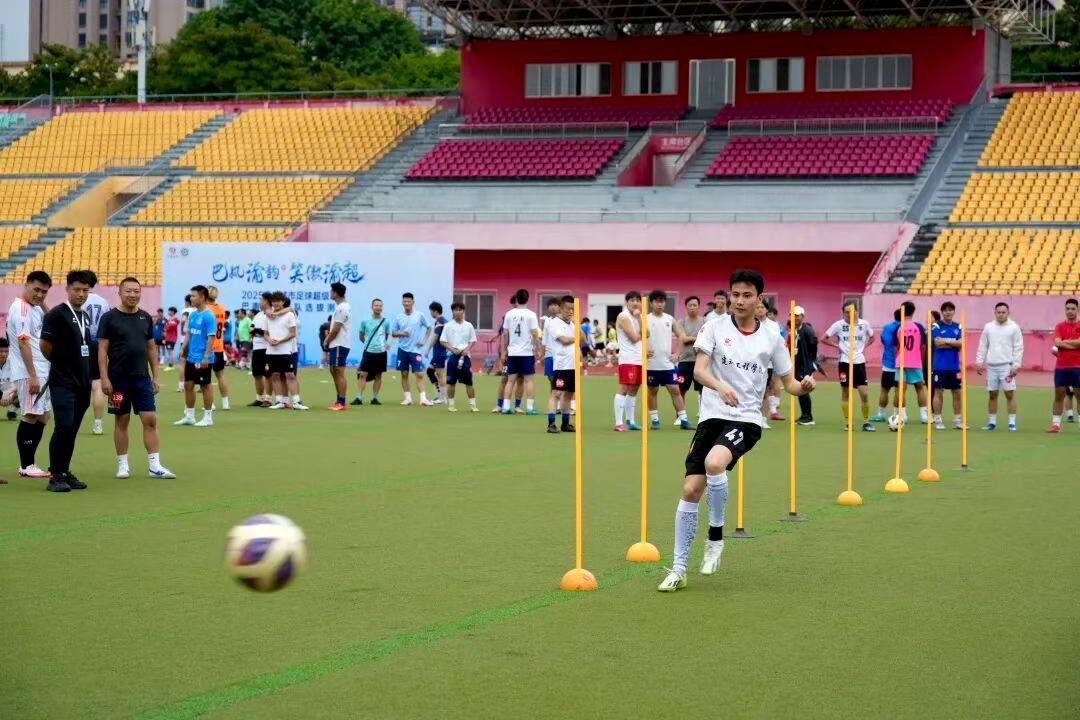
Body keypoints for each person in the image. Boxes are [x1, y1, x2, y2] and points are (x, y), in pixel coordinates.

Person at [657, 270, 816, 592]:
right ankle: (678, 568)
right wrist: (721, 386)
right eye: (735, 295)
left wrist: (805, 386)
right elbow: (699, 371)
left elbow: (790, 384)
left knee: (715, 464)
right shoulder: (713, 327)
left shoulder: (772, 336)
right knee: (690, 490)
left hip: (746, 420)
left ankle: (715, 537)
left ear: (760, 300)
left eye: (746, 295)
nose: (739, 301)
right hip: (711, 416)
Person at [98, 277, 175, 479]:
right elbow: (102, 349)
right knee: (121, 421)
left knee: (150, 419)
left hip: (142, 379)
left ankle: (155, 466)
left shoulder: (145, 318)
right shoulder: (109, 318)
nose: (133, 295)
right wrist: (104, 378)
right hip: (117, 381)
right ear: (120, 293)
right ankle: (123, 465)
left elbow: (151, 347)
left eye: (136, 291)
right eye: (128, 291)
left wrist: (155, 376)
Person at [39, 270, 95, 492]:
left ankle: (64, 470)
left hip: (83, 383)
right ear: (68, 289)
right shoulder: (56, 314)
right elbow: (45, 346)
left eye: (85, 290)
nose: (81, 294)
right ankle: (55, 476)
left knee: (72, 429)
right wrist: (61, 363)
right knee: (63, 427)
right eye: (77, 289)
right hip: (63, 382)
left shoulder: (85, 315)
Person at [8, 270, 53, 478]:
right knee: (31, 414)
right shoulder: (21, 309)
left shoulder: (34, 308)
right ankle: (26, 465)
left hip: (42, 370)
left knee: (43, 416)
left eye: (44, 292)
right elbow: (23, 342)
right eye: (36, 290)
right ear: (26, 285)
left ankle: (30, 463)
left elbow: (51, 318)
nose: (40, 295)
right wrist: (33, 375)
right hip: (31, 372)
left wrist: (42, 302)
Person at [822, 301, 876, 432]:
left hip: (859, 362)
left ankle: (866, 422)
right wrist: (838, 346)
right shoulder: (838, 325)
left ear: (857, 312)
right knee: (846, 392)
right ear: (843, 313)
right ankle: (848, 422)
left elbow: (872, 337)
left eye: (852, 311)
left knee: (864, 393)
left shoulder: (864, 324)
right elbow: (824, 338)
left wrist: (864, 348)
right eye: (846, 312)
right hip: (845, 363)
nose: (849, 314)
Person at [645, 289, 691, 430]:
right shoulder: (645, 319)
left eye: (662, 301)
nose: (659, 304)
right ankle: (655, 420)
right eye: (657, 301)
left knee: (675, 390)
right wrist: (644, 351)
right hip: (651, 364)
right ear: (651, 303)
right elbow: (637, 339)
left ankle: (683, 420)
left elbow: (682, 336)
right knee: (653, 391)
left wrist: (677, 353)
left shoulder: (669, 319)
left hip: (667, 364)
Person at [976, 302, 1023, 431]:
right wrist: (979, 361)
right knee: (992, 394)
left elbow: (1018, 347)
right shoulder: (988, 327)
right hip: (992, 366)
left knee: (1009, 394)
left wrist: (1016, 365)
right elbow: (983, 345)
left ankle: (1012, 423)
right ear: (995, 312)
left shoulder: (1014, 327)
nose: (1001, 315)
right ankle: (992, 422)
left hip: (1007, 366)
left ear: (1008, 313)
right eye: (998, 312)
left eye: (1003, 312)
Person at [175, 285, 217, 426]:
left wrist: (206, 356)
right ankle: (190, 416)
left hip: (202, 358)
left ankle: (208, 417)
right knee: (188, 385)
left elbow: (211, 338)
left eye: (193, 296)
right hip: (191, 357)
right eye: (191, 296)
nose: (191, 298)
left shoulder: (208, 316)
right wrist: (183, 347)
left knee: (205, 386)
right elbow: (189, 333)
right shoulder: (192, 314)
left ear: (202, 297)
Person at [500, 289, 541, 415]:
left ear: (516, 299)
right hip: (526, 352)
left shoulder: (509, 314)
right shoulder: (531, 315)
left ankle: (506, 407)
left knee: (510, 380)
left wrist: (503, 351)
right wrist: (537, 349)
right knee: (528, 380)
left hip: (512, 352)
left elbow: (504, 334)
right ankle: (529, 408)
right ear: (527, 299)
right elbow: (535, 334)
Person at [390, 292, 432, 406]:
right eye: (405, 301)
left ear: (413, 302)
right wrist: (402, 333)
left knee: (419, 374)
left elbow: (429, 328)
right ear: (402, 303)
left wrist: (424, 341)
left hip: (415, 350)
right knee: (404, 374)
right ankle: (408, 398)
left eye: (409, 301)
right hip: (402, 350)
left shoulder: (419, 315)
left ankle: (423, 399)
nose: (407, 303)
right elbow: (393, 333)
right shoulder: (399, 317)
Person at [266, 292, 306, 410]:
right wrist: (269, 340)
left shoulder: (290, 314)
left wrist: (280, 341)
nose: (276, 303)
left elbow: (292, 332)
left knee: (290, 375)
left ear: (283, 302)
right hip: (272, 351)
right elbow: (265, 333)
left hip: (289, 350)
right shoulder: (268, 315)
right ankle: (282, 401)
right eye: (274, 301)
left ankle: (296, 401)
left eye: (278, 301)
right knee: (276, 375)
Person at [83, 273, 110, 436]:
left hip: (82, 343)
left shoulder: (78, 299)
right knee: (97, 385)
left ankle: (72, 421)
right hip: (99, 343)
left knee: (76, 384)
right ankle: (98, 424)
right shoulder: (103, 301)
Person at [613, 291, 644, 431]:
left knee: (634, 389)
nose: (635, 303)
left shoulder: (638, 316)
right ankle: (618, 423)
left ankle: (630, 420)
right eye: (632, 300)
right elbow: (634, 337)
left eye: (638, 300)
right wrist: (640, 327)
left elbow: (646, 333)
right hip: (628, 358)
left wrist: (639, 319)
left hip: (639, 358)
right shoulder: (624, 316)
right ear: (627, 302)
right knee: (624, 388)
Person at [545, 296, 577, 433]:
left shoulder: (572, 324)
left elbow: (582, 339)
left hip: (573, 364)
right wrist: (575, 337)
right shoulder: (554, 323)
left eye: (573, 309)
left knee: (569, 394)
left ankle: (565, 423)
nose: (570, 312)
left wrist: (577, 325)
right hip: (561, 365)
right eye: (568, 309)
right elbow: (564, 340)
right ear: (561, 308)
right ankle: (551, 423)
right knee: (556, 393)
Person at [931, 301, 964, 431]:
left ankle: (957, 421)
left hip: (954, 366)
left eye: (951, 310)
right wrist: (954, 343)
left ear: (953, 312)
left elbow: (961, 344)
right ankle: (938, 419)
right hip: (939, 366)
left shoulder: (958, 326)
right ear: (942, 312)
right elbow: (937, 343)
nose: (948, 312)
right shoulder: (936, 325)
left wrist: (947, 342)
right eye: (945, 310)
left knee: (957, 393)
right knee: (939, 392)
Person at [440, 301, 479, 413]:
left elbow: (472, 340)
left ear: (463, 311)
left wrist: (466, 350)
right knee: (451, 382)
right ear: (452, 312)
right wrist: (453, 350)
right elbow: (443, 341)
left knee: (469, 382)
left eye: (460, 309)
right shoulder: (448, 326)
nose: (458, 312)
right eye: (455, 310)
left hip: (465, 358)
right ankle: (451, 405)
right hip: (453, 357)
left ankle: (473, 406)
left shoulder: (469, 325)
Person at [1048, 298, 1080, 433]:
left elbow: (1062, 343)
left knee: (1079, 395)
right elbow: (1057, 342)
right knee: (1059, 395)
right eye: (1068, 309)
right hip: (1061, 367)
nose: (1070, 311)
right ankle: (1056, 424)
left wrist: (1063, 343)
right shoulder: (1059, 326)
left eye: (1073, 309)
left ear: (1077, 310)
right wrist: (1074, 343)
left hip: (1078, 366)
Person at [355, 298, 390, 405]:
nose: (378, 307)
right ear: (372, 307)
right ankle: (359, 398)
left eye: (380, 306)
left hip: (381, 352)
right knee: (362, 374)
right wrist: (369, 345)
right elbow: (361, 336)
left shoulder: (386, 321)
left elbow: (386, 336)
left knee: (378, 376)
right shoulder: (365, 321)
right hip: (368, 352)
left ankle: (374, 398)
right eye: (376, 305)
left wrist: (380, 345)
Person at [872, 309, 904, 423]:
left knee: (885, 389)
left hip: (888, 364)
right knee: (899, 390)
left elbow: (884, 341)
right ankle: (897, 415)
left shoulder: (887, 327)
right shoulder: (905, 328)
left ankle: (881, 414)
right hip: (901, 364)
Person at [324, 282, 352, 411]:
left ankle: (342, 402)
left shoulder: (342, 308)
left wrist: (326, 340)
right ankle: (338, 400)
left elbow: (335, 330)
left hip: (340, 344)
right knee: (334, 371)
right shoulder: (340, 307)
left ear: (335, 293)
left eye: (331, 291)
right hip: (337, 344)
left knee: (339, 371)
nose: (330, 293)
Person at [790, 306, 818, 426]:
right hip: (799, 364)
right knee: (801, 389)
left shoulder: (807, 330)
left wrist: (812, 362)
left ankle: (808, 416)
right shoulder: (796, 329)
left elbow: (813, 346)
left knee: (804, 389)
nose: (794, 318)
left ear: (802, 316)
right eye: (792, 315)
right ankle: (804, 415)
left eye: (797, 316)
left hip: (805, 365)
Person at [206, 286, 231, 411]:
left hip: (207, 347)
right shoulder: (221, 309)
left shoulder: (205, 309)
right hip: (219, 347)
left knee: (206, 378)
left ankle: (211, 403)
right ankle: (225, 402)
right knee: (220, 375)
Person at [676, 296, 705, 404]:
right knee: (681, 389)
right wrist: (698, 339)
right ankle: (681, 417)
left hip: (701, 361)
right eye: (690, 305)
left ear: (698, 307)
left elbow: (707, 339)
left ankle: (704, 416)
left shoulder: (704, 321)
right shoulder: (681, 322)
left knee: (703, 390)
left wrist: (691, 339)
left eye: (695, 305)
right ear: (686, 307)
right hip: (684, 361)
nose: (692, 307)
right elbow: (683, 339)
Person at [248, 293, 272, 407]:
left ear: (267, 301)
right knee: (256, 374)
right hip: (256, 347)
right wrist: (255, 330)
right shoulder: (258, 315)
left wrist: (256, 331)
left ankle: (268, 398)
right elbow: (252, 328)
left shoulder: (271, 313)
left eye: (261, 300)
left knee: (268, 374)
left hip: (267, 348)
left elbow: (268, 331)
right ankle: (259, 398)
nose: (260, 302)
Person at [427, 301, 448, 404]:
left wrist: (428, 349)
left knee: (440, 374)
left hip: (440, 352)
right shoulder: (442, 321)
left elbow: (435, 337)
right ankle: (439, 394)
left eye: (431, 311)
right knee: (430, 371)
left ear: (435, 311)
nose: (430, 313)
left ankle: (442, 398)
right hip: (438, 352)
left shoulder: (440, 321)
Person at [540, 297, 562, 392]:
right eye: (550, 305)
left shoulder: (564, 320)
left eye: (555, 305)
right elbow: (544, 338)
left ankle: (560, 399)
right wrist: (542, 354)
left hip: (561, 354)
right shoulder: (547, 321)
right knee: (550, 377)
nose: (552, 307)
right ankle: (554, 397)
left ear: (560, 307)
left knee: (560, 378)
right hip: (549, 353)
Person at [176, 295, 193, 392]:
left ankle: (181, 385)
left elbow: (183, 319)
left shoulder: (186, 310)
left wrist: (185, 321)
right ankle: (199, 385)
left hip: (185, 341)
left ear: (187, 302)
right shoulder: (197, 311)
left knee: (182, 363)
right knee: (195, 363)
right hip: (195, 341)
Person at [0, 338, 16, 425]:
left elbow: (18, 382)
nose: (3, 354)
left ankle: (12, 410)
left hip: (9, 391)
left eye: (6, 351)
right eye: (1, 351)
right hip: (1, 392)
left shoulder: (13, 361)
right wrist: (1, 395)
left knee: (25, 388)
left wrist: (9, 394)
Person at [163, 306, 180, 371]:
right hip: (168, 338)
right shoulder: (169, 319)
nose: (168, 312)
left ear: (173, 312)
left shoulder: (175, 319)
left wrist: (166, 327)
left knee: (170, 352)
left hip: (171, 338)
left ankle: (171, 366)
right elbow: (165, 328)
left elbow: (170, 326)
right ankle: (170, 365)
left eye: (169, 311)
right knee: (169, 352)